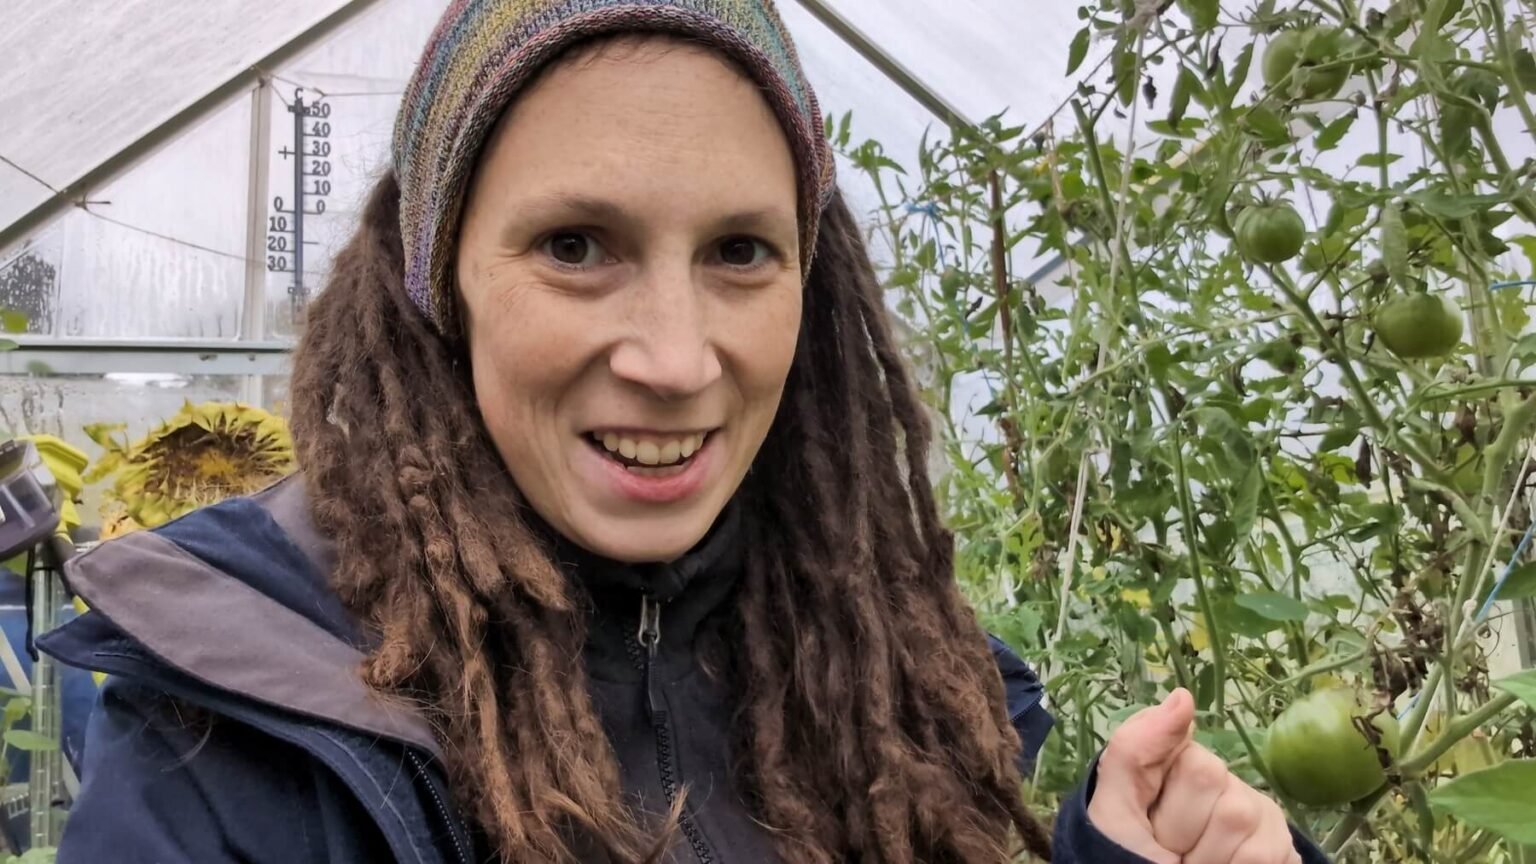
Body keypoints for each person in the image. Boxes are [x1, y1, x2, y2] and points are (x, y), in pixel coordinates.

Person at [40, 2, 1330, 862]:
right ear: (447, 280)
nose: (673, 357)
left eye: (739, 252)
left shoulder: (888, 681)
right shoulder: (235, 740)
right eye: (576, 246)